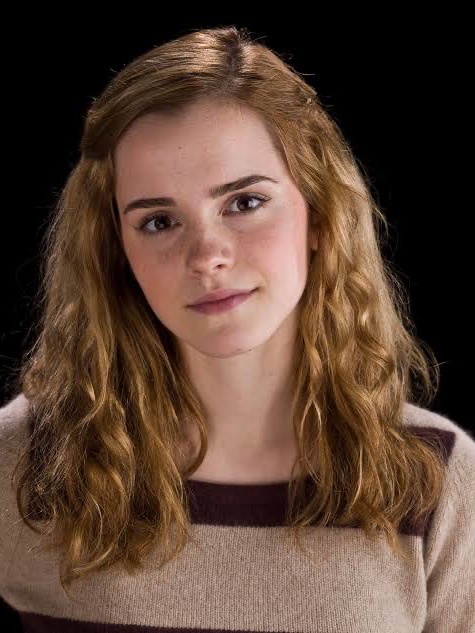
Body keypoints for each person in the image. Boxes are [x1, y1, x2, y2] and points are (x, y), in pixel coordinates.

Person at [1, 25, 474, 633]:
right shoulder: (26, 461)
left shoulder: (437, 478)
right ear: (115, 249)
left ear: (319, 213)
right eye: (159, 221)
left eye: (244, 202)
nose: (207, 257)